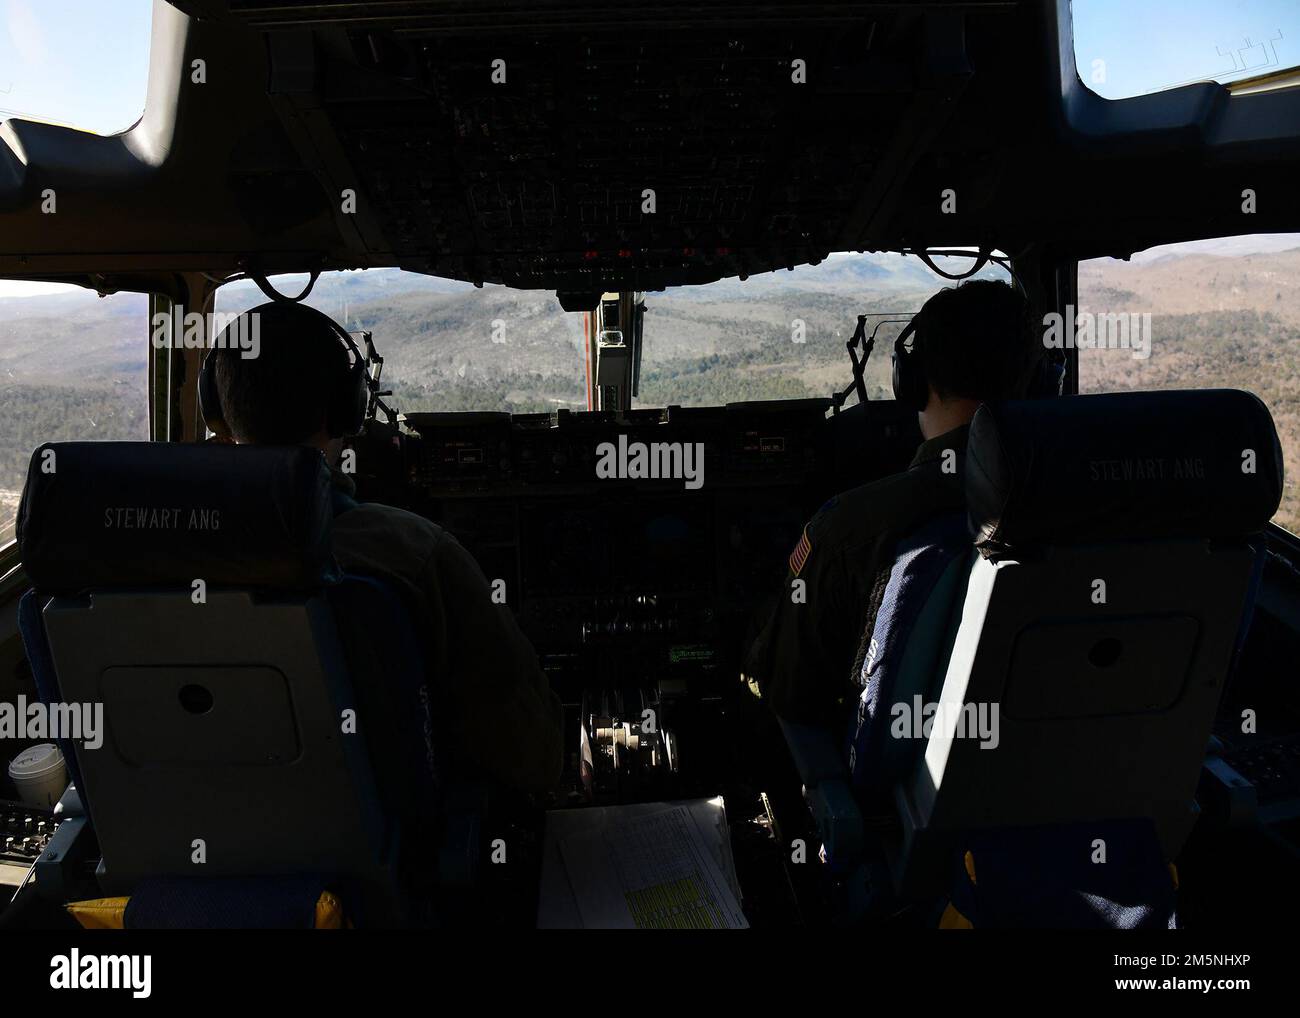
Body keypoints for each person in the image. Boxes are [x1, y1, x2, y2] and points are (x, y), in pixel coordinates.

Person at [207, 301, 563, 794]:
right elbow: (532, 759)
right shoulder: (414, 554)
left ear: (216, 410)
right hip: (402, 862)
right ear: (348, 408)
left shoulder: (149, 555)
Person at [743, 279, 1044, 730]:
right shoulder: (1093, 499)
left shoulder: (848, 529)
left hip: (897, 795)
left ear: (914, 382)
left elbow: (790, 694)